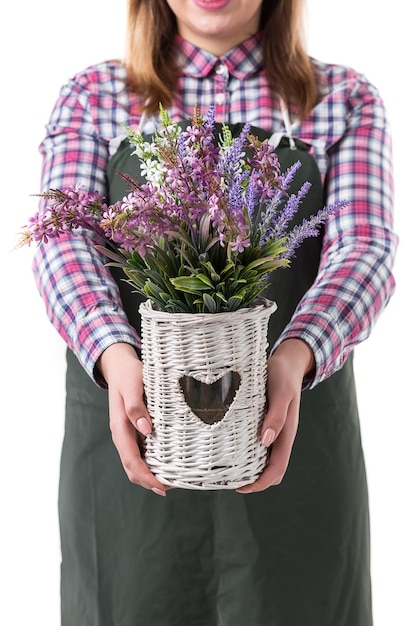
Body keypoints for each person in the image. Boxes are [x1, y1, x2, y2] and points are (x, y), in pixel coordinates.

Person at [32, 1, 398, 624]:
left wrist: (294, 355)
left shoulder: (341, 98)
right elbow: (64, 245)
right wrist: (115, 355)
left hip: (295, 448)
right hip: (131, 446)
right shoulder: (93, 97)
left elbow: (364, 247)